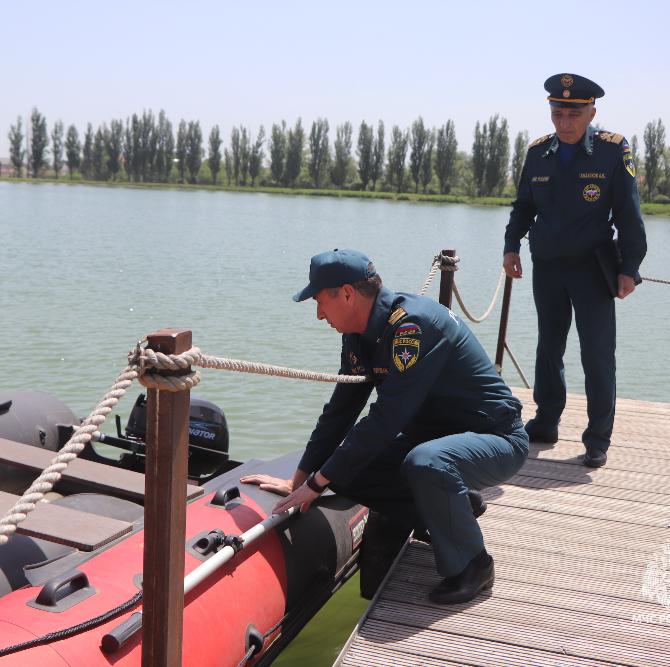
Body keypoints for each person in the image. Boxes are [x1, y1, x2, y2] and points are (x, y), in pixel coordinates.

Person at [241, 249, 529, 604]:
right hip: (437, 437)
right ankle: (452, 507)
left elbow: (387, 419)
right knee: (346, 472)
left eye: (319, 302)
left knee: (427, 463)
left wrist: (317, 484)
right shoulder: (358, 334)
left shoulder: (412, 327)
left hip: (496, 438)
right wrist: (299, 478)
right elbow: (341, 410)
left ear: (346, 293)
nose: (318, 315)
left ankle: (474, 566)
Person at [503, 73, 647, 468]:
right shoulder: (538, 153)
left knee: (597, 354)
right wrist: (511, 246)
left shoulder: (612, 151)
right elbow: (523, 207)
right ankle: (546, 421)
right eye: (557, 112)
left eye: (573, 113)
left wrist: (630, 268)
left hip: (592, 268)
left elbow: (629, 214)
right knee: (548, 347)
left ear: (591, 113)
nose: (564, 121)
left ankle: (598, 438)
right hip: (547, 266)